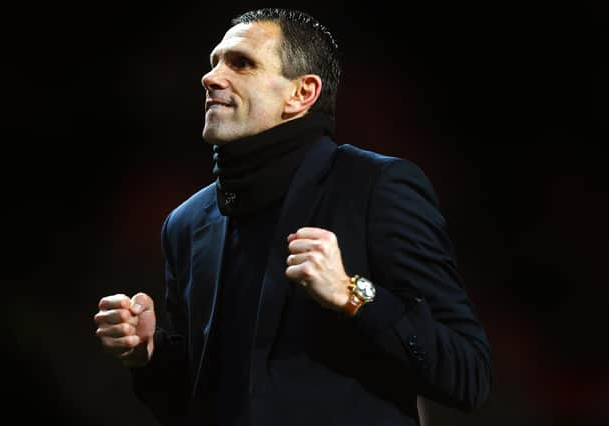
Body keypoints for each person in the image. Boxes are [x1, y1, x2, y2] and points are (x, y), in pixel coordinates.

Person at [93, 8, 492, 426]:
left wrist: (353, 293)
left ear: (302, 94)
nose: (210, 78)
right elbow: (195, 405)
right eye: (214, 62)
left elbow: (468, 375)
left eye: (241, 63)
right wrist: (148, 355)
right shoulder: (187, 223)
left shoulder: (375, 188)